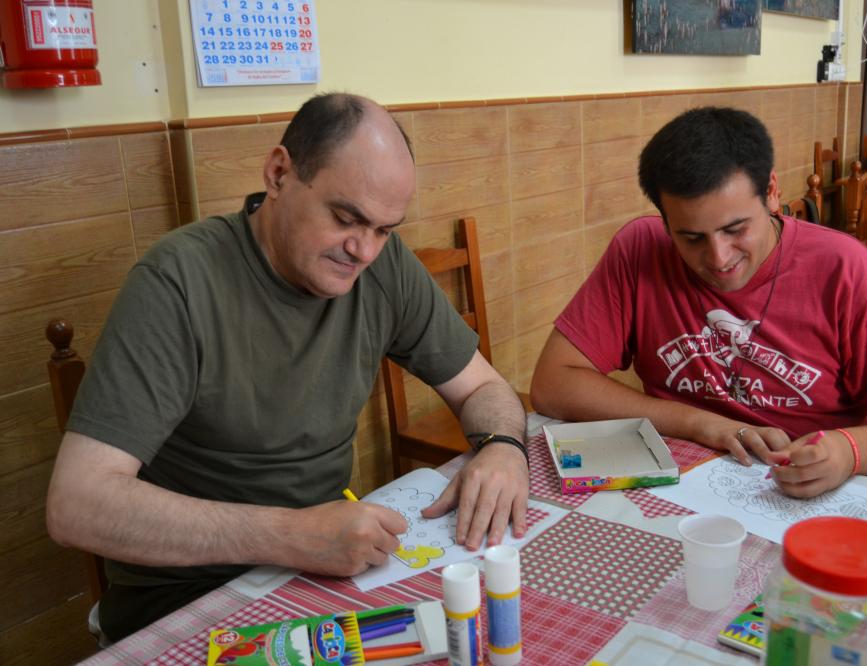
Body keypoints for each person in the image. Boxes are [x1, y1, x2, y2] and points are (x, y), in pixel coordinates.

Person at [46, 93, 530, 642]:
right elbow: (77, 505)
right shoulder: (177, 283)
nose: (364, 250)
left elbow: (482, 387)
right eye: (347, 218)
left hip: (319, 578)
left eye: (384, 229)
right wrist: (290, 534)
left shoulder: (382, 265)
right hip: (189, 603)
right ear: (279, 173)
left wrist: (503, 447)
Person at [531, 106, 867, 499]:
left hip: (815, 491)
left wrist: (847, 451)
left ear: (770, 192)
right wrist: (699, 423)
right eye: (691, 238)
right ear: (665, 221)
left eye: (736, 229)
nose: (718, 258)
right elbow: (554, 385)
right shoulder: (639, 249)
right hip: (686, 487)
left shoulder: (844, 269)